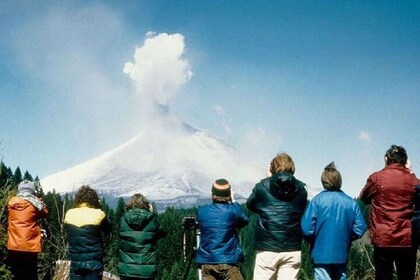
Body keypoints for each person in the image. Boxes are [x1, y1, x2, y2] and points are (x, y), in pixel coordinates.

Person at [359, 145, 420, 280]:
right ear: (405, 161)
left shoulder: (376, 178)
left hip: (383, 239)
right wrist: (411, 172)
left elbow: (363, 197)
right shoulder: (413, 181)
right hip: (407, 239)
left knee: (383, 276)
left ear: (386, 159)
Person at [301, 162, 367, 280]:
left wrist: (315, 240)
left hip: (320, 253)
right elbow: (360, 227)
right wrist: (347, 237)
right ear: (339, 181)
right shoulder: (351, 203)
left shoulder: (317, 201)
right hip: (341, 253)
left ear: (324, 181)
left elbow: (306, 229)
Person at [246, 152, 308, 280]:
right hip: (292, 248)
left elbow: (250, 205)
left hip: (267, 248)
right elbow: (301, 209)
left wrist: (269, 178)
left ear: (272, 168)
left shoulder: (261, 187)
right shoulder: (302, 190)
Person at [195, 179, 249, 280]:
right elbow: (245, 220)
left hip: (207, 261)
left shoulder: (202, 211)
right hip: (227, 261)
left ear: (213, 193)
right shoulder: (232, 211)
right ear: (228, 194)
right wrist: (234, 201)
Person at [64, 185, 112, 280]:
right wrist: (99, 207)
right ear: (94, 199)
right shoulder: (99, 214)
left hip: (75, 261)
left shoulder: (69, 213)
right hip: (94, 262)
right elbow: (108, 229)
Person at [7, 180, 48, 280]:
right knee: (30, 273)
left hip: (14, 244)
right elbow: (45, 213)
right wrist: (40, 202)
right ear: (32, 190)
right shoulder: (35, 203)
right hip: (30, 245)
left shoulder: (11, 203)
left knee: (17, 273)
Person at [118, 193, 166, 280]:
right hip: (146, 269)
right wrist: (151, 213)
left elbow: (120, 234)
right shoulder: (151, 219)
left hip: (127, 269)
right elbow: (162, 233)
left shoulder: (123, 219)